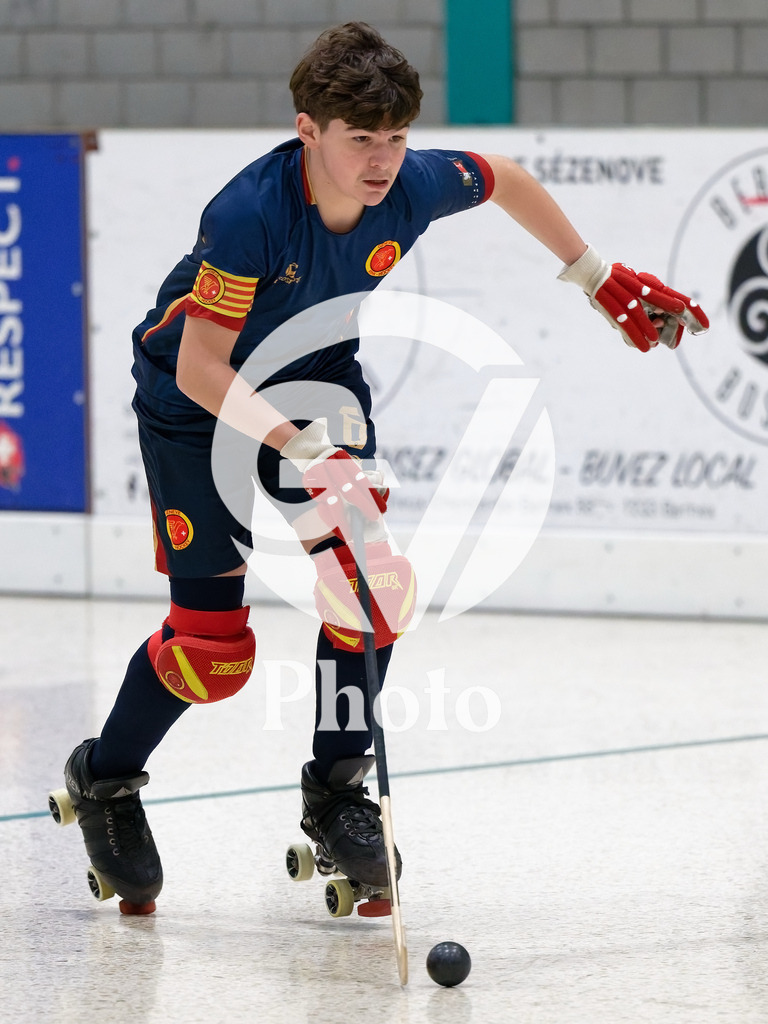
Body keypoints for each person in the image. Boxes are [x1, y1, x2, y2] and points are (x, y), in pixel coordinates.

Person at [52, 21, 709, 914]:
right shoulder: (248, 215)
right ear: (308, 131)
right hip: (196, 408)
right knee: (210, 650)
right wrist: (291, 443)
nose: (382, 160)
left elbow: (504, 177)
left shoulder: (411, 184)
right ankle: (106, 780)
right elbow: (205, 368)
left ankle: (336, 794)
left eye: (396, 138)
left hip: (319, 385)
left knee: (370, 593)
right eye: (360, 139)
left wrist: (592, 275)